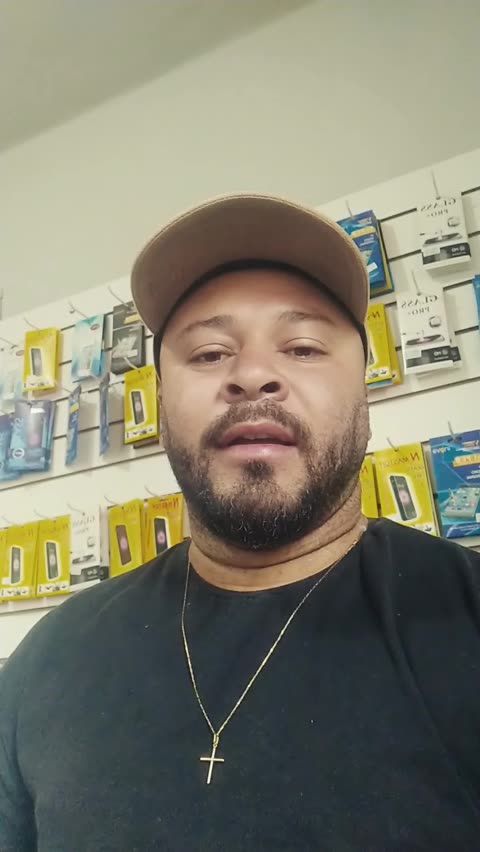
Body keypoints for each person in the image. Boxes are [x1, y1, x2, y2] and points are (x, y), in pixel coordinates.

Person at [1, 194, 480, 852]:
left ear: (364, 392)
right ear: (160, 405)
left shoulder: (466, 619)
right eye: (208, 354)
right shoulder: (48, 662)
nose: (253, 375)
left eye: (303, 348)